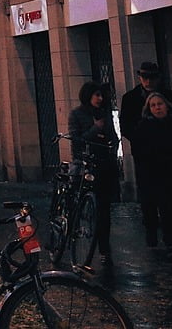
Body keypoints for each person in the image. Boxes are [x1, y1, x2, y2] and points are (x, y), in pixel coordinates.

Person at [131, 91, 172, 257]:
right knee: (153, 207)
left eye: (159, 104)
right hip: (153, 175)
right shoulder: (144, 127)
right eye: (153, 105)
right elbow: (138, 150)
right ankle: (153, 232)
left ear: (167, 106)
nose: (157, 108)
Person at [67, 80, 121, 268]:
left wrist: (112, 149)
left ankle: (104, 248)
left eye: (101, 95)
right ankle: (72, 235)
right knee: (78, 203)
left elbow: (113, 137)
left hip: (104, 165)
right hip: (85, 165)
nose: (100, 99)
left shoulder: (105, 114)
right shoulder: (77, 114)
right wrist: (95, 129)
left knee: (104, 209)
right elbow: (76, 140)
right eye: (96, 95)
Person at [118, 60, 172, 148]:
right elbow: (126, 126)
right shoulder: (130, 99)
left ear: (158, 78)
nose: (148, 82)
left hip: (170, 147)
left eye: (152, 78)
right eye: (145, 78)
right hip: (144, 148)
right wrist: (140, 139)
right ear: (140, 78)